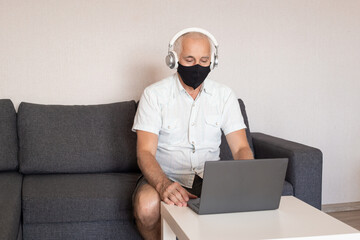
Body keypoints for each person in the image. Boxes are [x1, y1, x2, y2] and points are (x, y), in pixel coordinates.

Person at [132, 28, 254, 240]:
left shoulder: (224, 96)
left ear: (212, 62)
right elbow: (144, 152)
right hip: (164, 174)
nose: (197, 66)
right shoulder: (154, 95)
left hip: (209, 177)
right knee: (146, 206)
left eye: (204, 60)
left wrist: (242, 178)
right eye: (189, 59)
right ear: (173, 60)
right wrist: (163, 185)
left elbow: (241, 148)